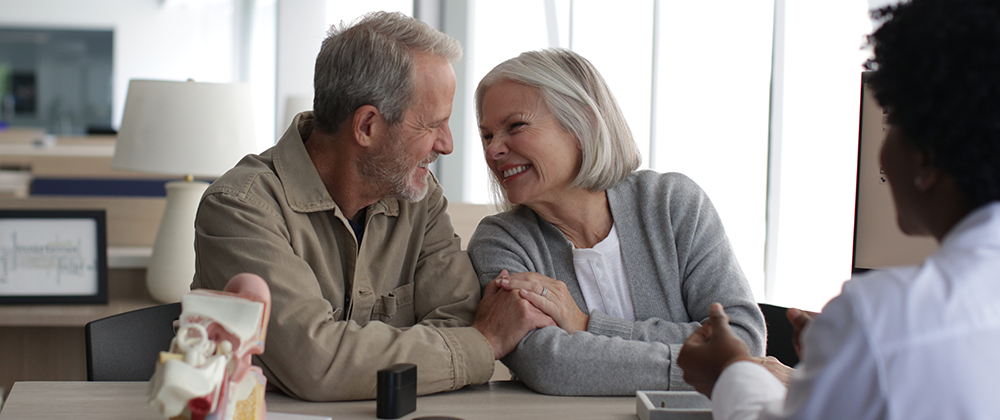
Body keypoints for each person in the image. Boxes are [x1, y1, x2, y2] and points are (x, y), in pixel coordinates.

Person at [191, 11, 553, 402]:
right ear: (366, 126)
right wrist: (482, 344)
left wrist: (358, 361)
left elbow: (459, 318)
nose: (446, 144)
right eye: (432, 125)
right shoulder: (239, 208)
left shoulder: (421, 199)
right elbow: (316, 363)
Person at [676, 0, 1000, 418]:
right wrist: (846, 361)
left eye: (891, 125)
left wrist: (728, 373)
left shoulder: (881, 319)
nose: (881, 157)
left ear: (927, 159)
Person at [466, 48, 766, 395]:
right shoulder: (499, 241)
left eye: (515, 126)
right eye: (487, 136)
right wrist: (714, 368)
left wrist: (586, 325)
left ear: (582, 123)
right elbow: (551, 364)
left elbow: (742, 340)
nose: (492, 150)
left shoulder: (673, 203)